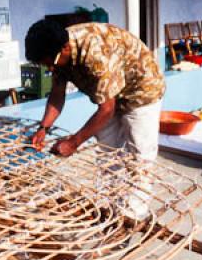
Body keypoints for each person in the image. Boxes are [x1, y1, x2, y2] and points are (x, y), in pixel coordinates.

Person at [25, 20, 165, 161]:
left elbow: (106, 110)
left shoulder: (97, 54)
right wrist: (43, 128)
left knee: (139, 156)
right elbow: (57, 93)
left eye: (50, 64)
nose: (50, 69)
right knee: (107, 153)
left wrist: (73, 143)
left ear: (65, 48)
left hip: (141, 92)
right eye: (45, 65)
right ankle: (113, 182)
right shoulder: (54, 49)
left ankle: (140, 181)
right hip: (111, 94)